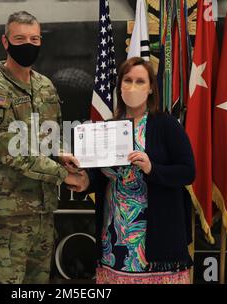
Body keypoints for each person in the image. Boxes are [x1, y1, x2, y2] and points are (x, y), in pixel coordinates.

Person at [0, 11, 87, 284]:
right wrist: (64, 175)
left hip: (42, 211)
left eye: (34, 38)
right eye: (20, 38)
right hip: (5, 214)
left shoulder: (44, 85)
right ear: (5, 41)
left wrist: (62, 153)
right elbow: (13, 152)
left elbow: (51, 135)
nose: (28, 44)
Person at [86, 57, 195, 284]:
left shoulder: (166, 124)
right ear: (119, 86)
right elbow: (98, 176)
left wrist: (152, 168)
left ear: (151, 88)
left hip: (157, 238)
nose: (132, 87)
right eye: (127, 80)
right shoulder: (107, 127)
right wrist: (81, 180)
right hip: (115, 236)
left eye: (140, 81)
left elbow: (187, 171)